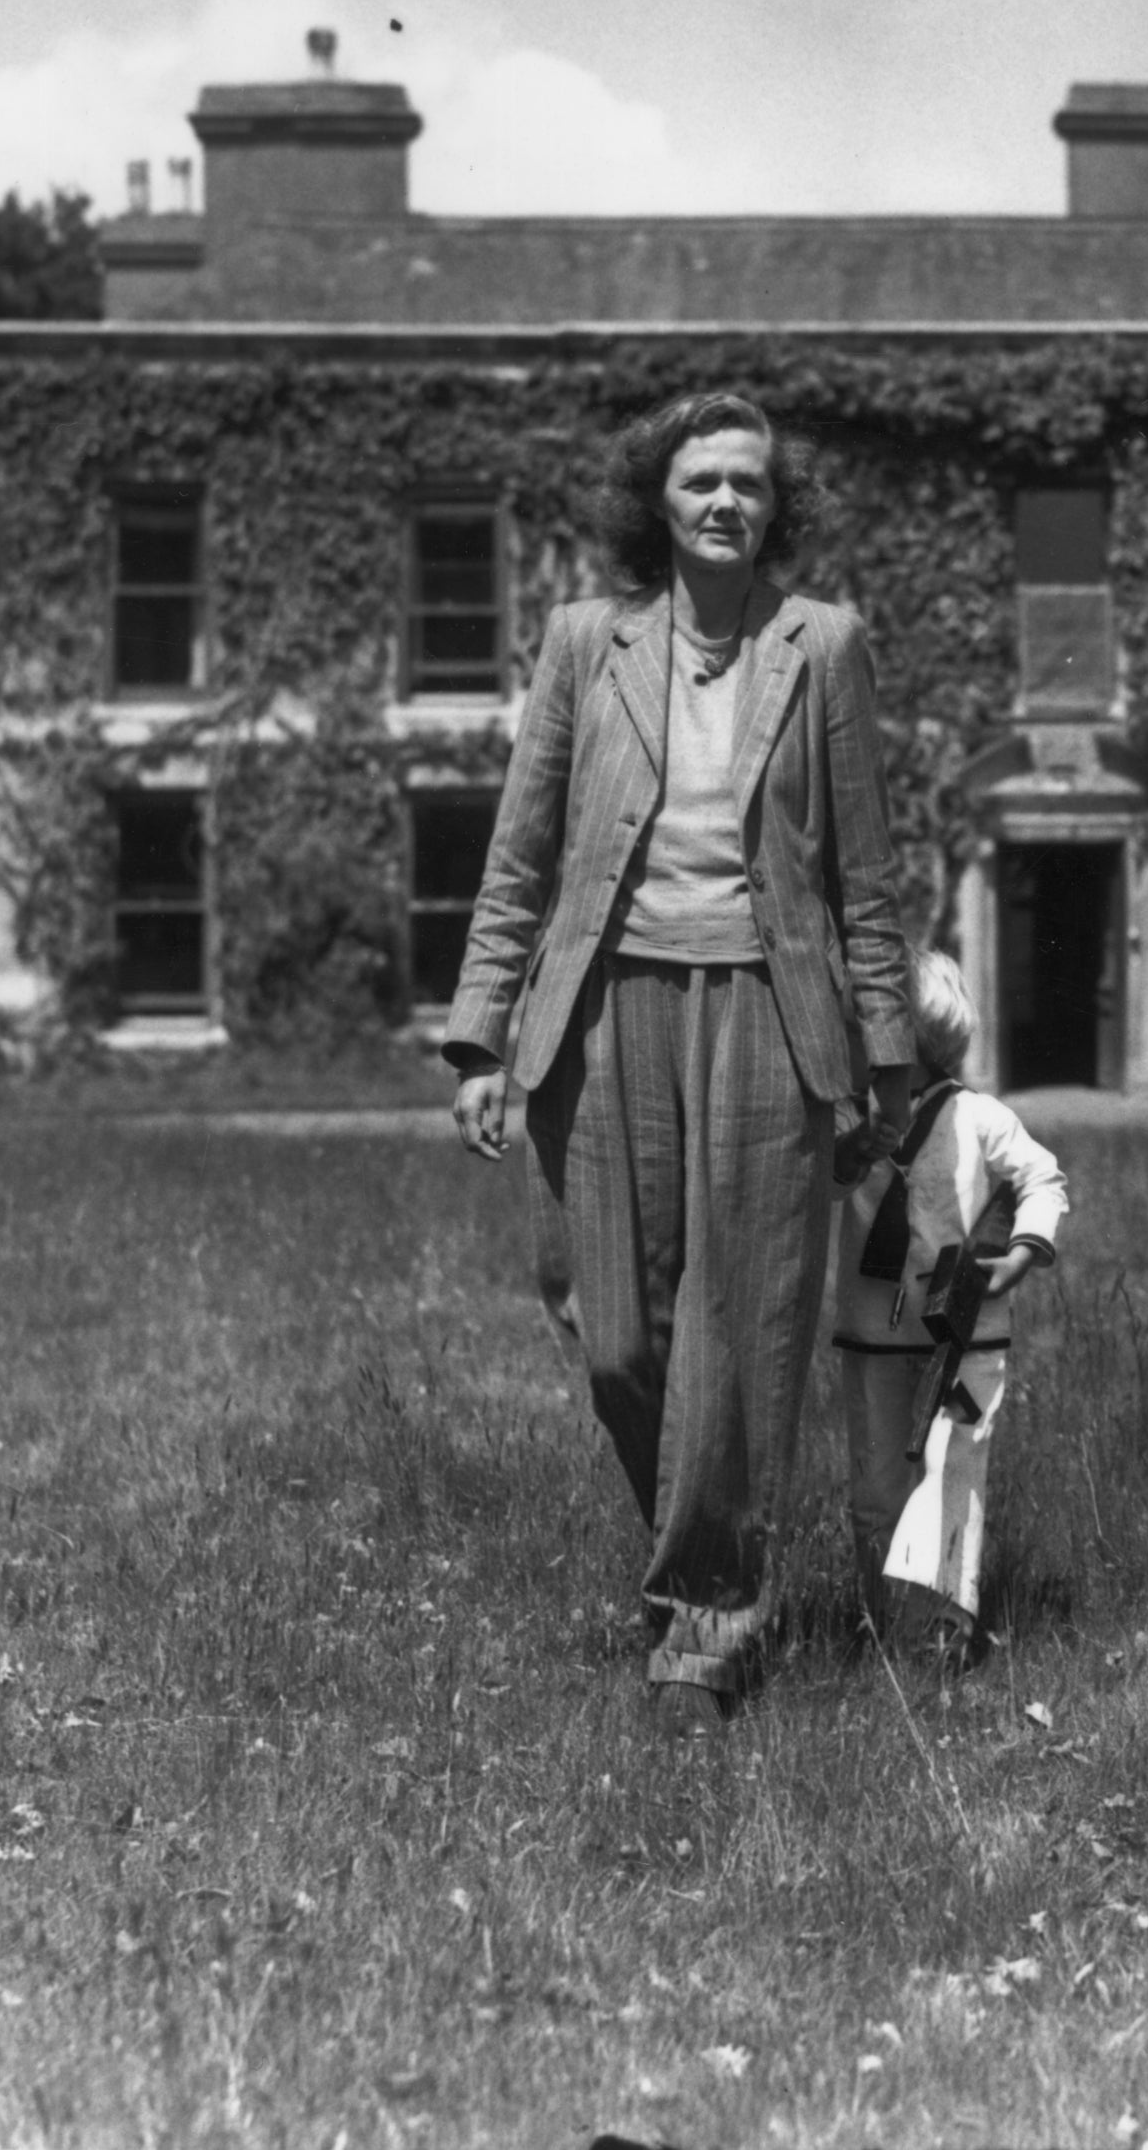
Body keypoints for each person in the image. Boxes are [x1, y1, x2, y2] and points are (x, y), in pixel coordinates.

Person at [441, 388, 918, 1734]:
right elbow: (521, 853)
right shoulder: (587, 643)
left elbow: (862, 876)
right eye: (702, 478)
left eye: (750, 484)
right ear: (659, 498)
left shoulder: (821, 644)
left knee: (744, 1323)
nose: (727, 502)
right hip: (601, 1005)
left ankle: (703, 1626)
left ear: (778, 508)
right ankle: (705, 1534)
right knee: (613, 1331)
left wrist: (883, 1058)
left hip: (774, 1011)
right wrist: (483, 1035)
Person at [829, 948, 1067, 1657]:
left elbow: (1044, 1179)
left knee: (953, 1466)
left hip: (963, 1332)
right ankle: (880, 1616)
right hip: (872, 1327)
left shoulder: (980, 1117)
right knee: (875, 1482)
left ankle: (944, 1627)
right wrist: (847, 1154)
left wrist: (1017, 1257)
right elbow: (824, 1188)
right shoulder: (854, 1126)